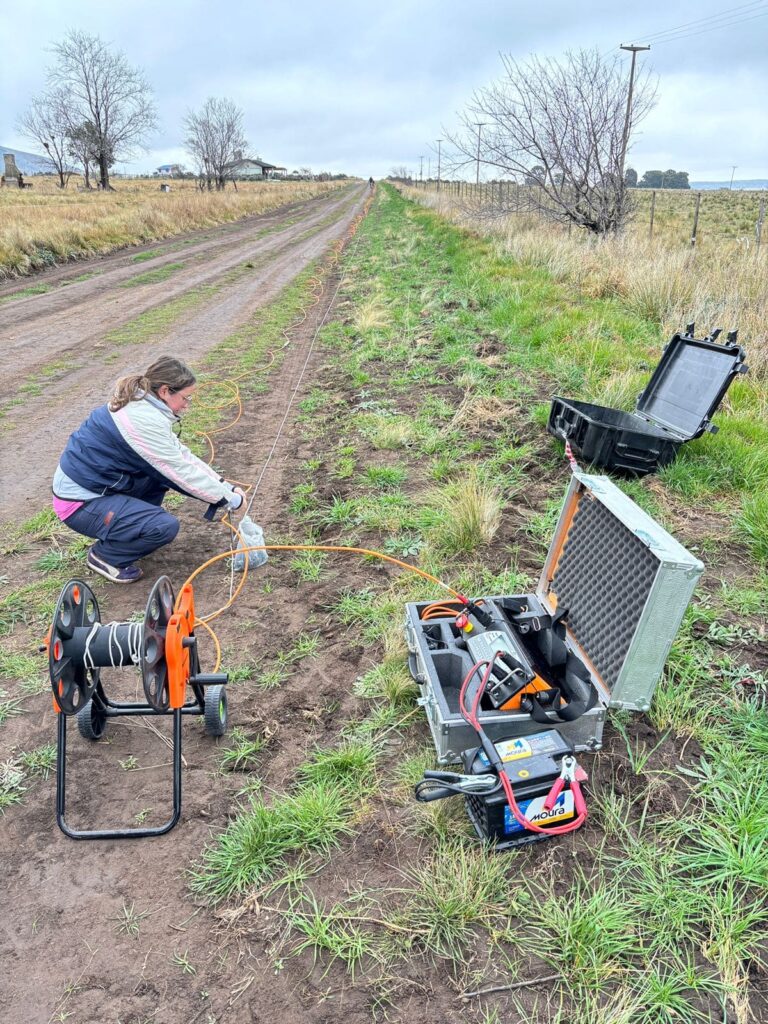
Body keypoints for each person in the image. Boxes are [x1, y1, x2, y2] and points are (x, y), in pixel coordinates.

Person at [52, 356, 245, 583]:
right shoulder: (141, 420)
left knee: (157, 479)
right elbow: (179, 472)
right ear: (165, 391)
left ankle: (130, 531)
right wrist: (228, 500)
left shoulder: (144, 406)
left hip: (100, 487)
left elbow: (181, 456)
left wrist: (226, 488)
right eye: (185, 397)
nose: (187, 403)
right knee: (164, 526)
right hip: (79, 503)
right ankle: (106, 557)